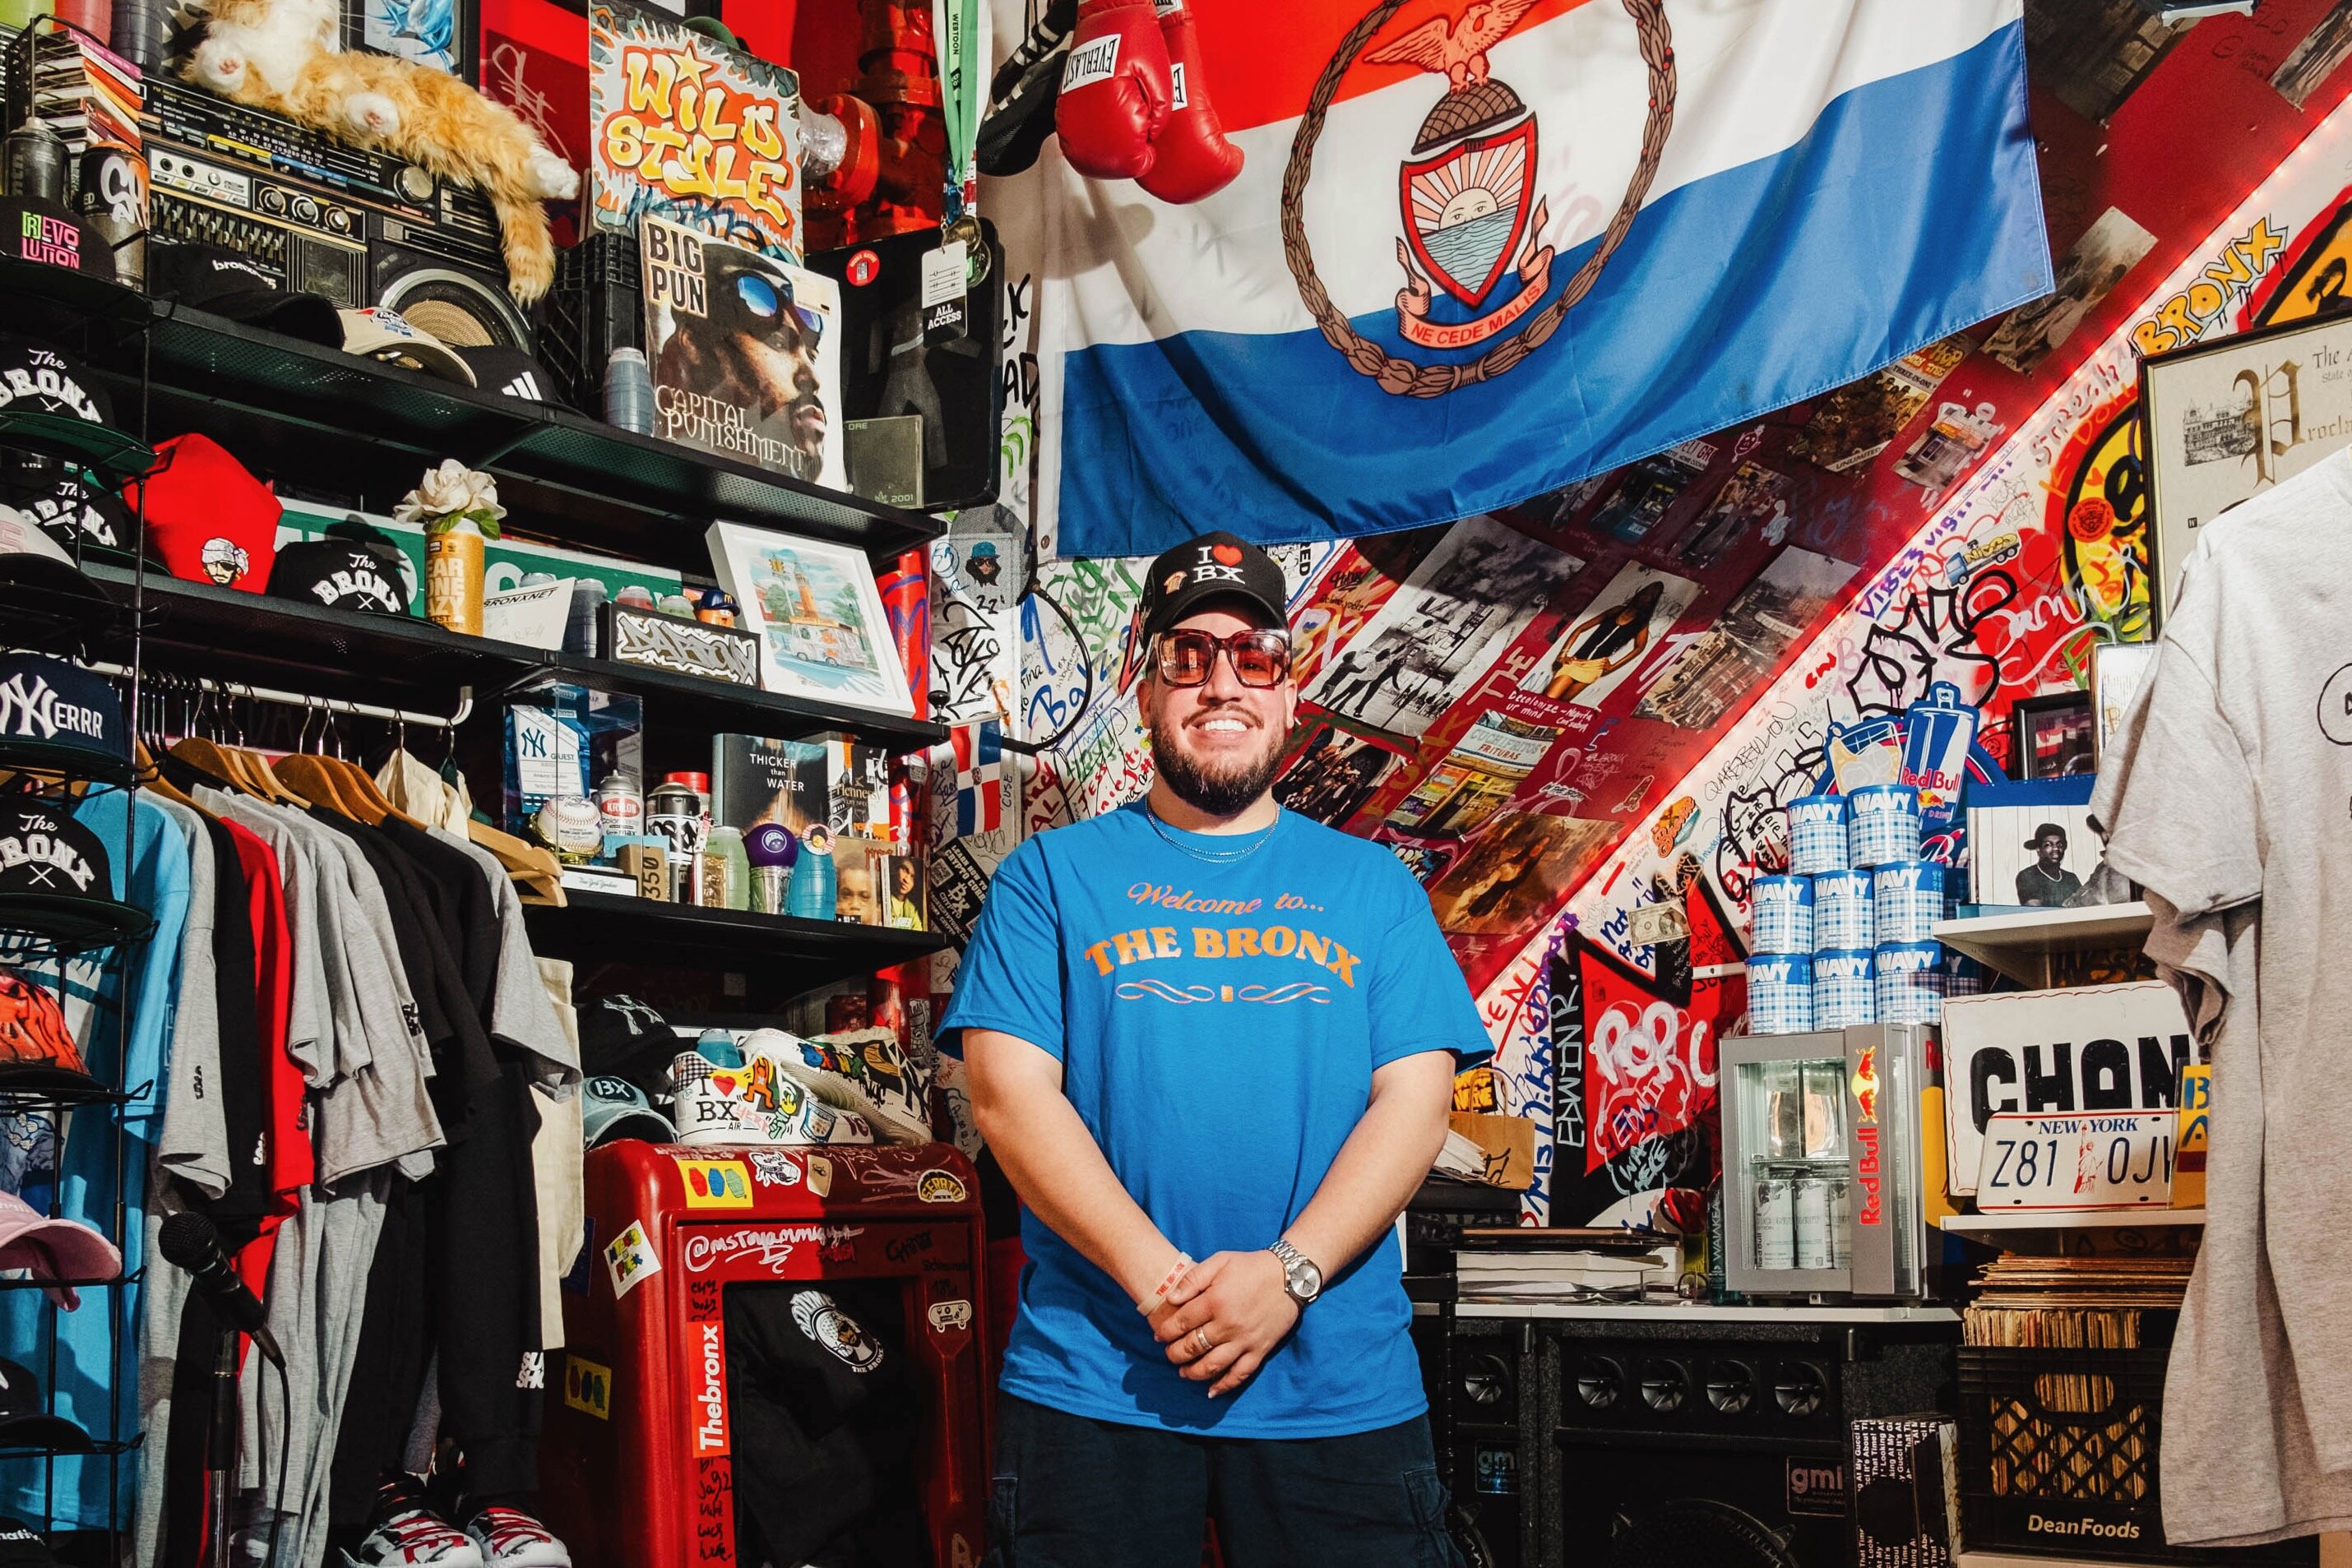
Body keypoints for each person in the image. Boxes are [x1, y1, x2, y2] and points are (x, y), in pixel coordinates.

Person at [942, 531, 1489, 1567]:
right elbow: (1009, 1097)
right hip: (1098, 1381)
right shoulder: (1048, 877)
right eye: (1186, 655)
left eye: (1255, 655)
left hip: (1337, 1390)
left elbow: (1418, 1102)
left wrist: (1287, 1274)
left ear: (1290, 692)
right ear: (1146, 687)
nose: (1221, 683)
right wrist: (1167, 1289)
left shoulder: (1375, 887)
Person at [2015, 822, 2083, 907]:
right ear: (2038, 849)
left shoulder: (2071, 878)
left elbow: (2083, 908)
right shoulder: (2028, 875)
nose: (2056, 848)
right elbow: (2037, 911)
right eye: (2048, 845)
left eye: (2060, 844)